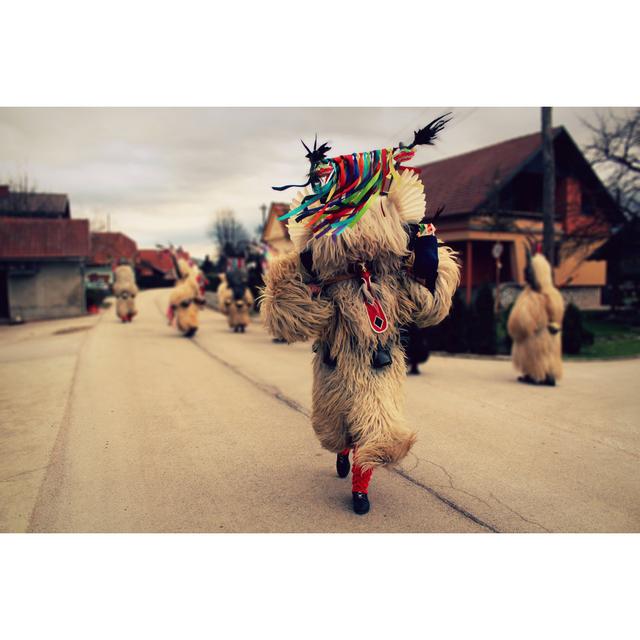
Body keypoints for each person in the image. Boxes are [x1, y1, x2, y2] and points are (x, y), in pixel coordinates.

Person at [261, 116, 460, 515]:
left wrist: (429, 271)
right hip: (335, 364)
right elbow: (293, 322)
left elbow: (427, 309)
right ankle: (343, 452)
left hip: (380, 365)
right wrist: (294, 281)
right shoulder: (327, 274)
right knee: (336, 426)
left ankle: (360, 485)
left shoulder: (390, 274)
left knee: (380, 427)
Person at [507, 246, 564, 386]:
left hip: (537, 335)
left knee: (538, 354)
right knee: (544, 354)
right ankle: (544, 374)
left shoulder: (535, 297)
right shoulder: (552, 295)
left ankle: (538, 374)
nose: (526, 274)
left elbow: (523, 321)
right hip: (548, 333)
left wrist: (519, 327)